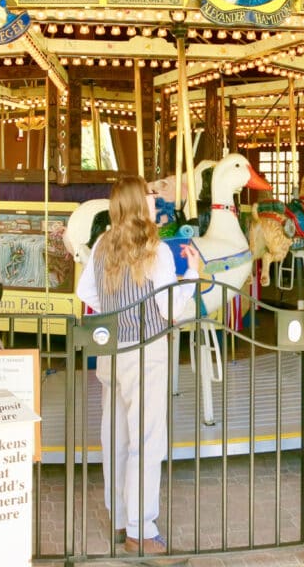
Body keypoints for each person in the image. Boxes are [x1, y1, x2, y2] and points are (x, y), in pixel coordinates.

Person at [76, 175, 200, 556]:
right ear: (137, 201)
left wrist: (117, 308)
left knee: (116, 435)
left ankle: (119, 518)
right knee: (146, 441)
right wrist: (191, 274)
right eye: (150, 193)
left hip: (112, 351)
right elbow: (171, 308)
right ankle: (141, 529)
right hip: (145, 350)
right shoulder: (155, 249)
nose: (154, 197)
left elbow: (86, 293)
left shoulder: (101, 243)